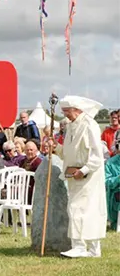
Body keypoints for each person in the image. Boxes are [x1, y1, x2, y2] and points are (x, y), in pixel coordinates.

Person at [58, 95, 107, 258]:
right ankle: (86, 248)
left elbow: (96, 154)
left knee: (84, 210)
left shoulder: (89, 125)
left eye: (67, 111)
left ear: (77, 110)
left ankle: (85, 247)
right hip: (74, 175)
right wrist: (55, 147)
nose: (65, 115)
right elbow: (68, 153)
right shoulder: (72, 126)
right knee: (77, 209)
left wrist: (84, 170)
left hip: (89, 177)